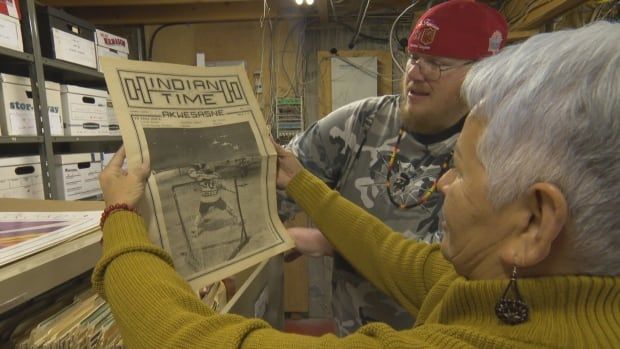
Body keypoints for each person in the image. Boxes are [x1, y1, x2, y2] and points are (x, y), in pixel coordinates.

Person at [94, 22, 620, 348]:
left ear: (533, 223)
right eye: (417, 58)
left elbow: (187, 341)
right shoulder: (522, 292)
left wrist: (121, 222)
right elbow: (396, 256)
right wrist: (302, 183)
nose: (445, 185)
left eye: (459, 170)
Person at [282, 0, 508, 335]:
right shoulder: (363, 121)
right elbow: (280, 177)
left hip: (437, 338)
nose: (415, 72)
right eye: (414, 57)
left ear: (481, 75)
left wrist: (330, 240)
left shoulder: (497, 150)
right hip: (354, 336)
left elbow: (449, 268)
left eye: (436, 64)